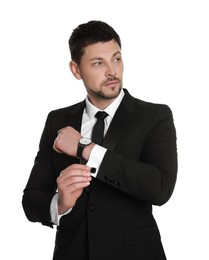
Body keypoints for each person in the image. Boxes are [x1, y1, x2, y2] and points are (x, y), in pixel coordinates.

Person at [22, 20, 177, 260]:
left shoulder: (154, 116)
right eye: (98, 63)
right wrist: (59, 205)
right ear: (76, 70)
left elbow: (160, 188)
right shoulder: (58, 120)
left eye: (116, 59)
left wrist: (85, 148)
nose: (112, 71)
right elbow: (31, 199)